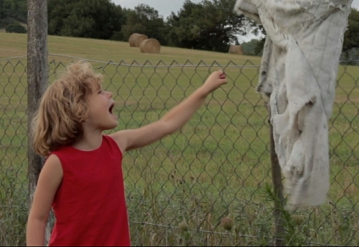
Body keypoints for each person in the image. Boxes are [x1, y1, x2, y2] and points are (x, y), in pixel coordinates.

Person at [26, 61, 228, 246]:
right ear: (78, 109)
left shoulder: (117, 144)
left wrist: (204, 90)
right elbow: (38, 218)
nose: (109, 94)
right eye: (100, 92)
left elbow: (165, 125)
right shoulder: (58, 162)